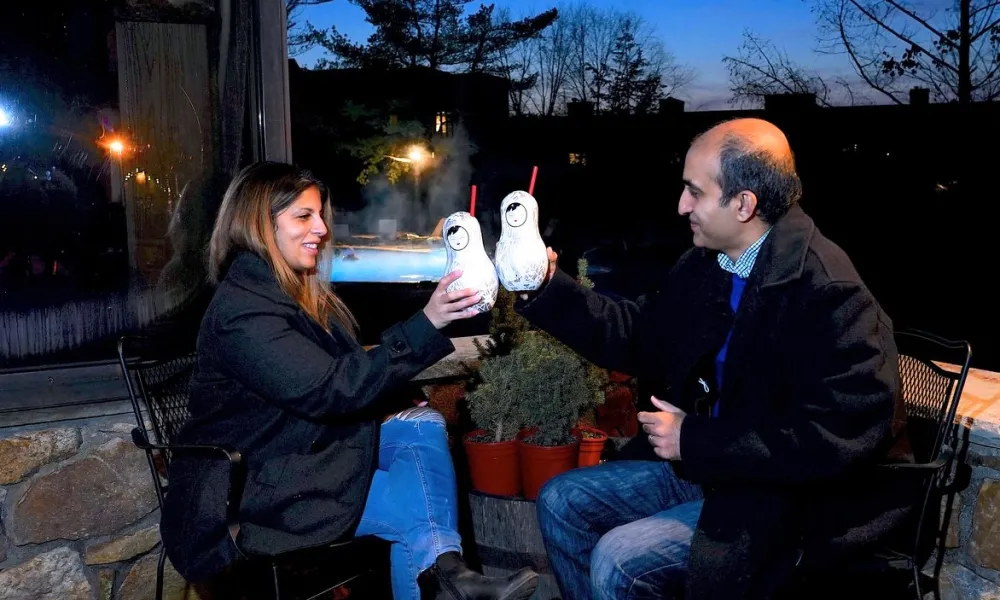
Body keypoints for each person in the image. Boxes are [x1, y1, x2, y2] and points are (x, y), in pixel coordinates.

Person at [516, 118, 913, 599]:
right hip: (719, 473)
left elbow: (837, 439)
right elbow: (638, 334)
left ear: (744, 204)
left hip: (793, 502)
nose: (682, 206)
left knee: (620, 559)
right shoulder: (710, 265)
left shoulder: (829, 293)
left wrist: (696, 439)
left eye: (695, 192)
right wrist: (543, 287)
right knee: (562, 500)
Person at [160, 162, 539, 600]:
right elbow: (331, 389)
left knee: (421, 424)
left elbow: (334, 375)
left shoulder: (292, 292)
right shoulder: (244, 311)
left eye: (319, 214)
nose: (321, 228)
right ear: (259, 225)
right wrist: (429, 320)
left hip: (296, 455)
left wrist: (395, 390)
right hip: (250, 492)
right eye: (303, 216)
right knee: (413, 514)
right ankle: (446, 573)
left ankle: (447, 576)